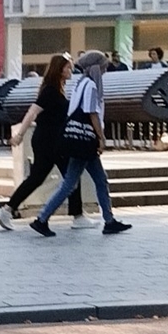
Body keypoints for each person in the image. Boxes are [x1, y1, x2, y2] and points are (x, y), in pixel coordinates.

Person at [29, 50, 129, 237]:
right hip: (86, 140)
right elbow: (92, 113)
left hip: (77, 139)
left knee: (94, 180)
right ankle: (42, 219)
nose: (106, 69)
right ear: (96, 67)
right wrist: (100, 137)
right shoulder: (91, 86)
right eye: (104, 65)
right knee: (74, 183)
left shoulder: (80, 83)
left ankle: (108, 220)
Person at [0, 54, 84, 230]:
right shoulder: (51, 91)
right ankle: (78, 217)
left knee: (37, 178)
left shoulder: (55, 89)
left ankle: (7, 210)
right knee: (71, 176)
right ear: (59, 69)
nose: (71, 71)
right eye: (68, 68)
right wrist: (19, 135)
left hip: (46, 139)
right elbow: (32, 112)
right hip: (51, 141)